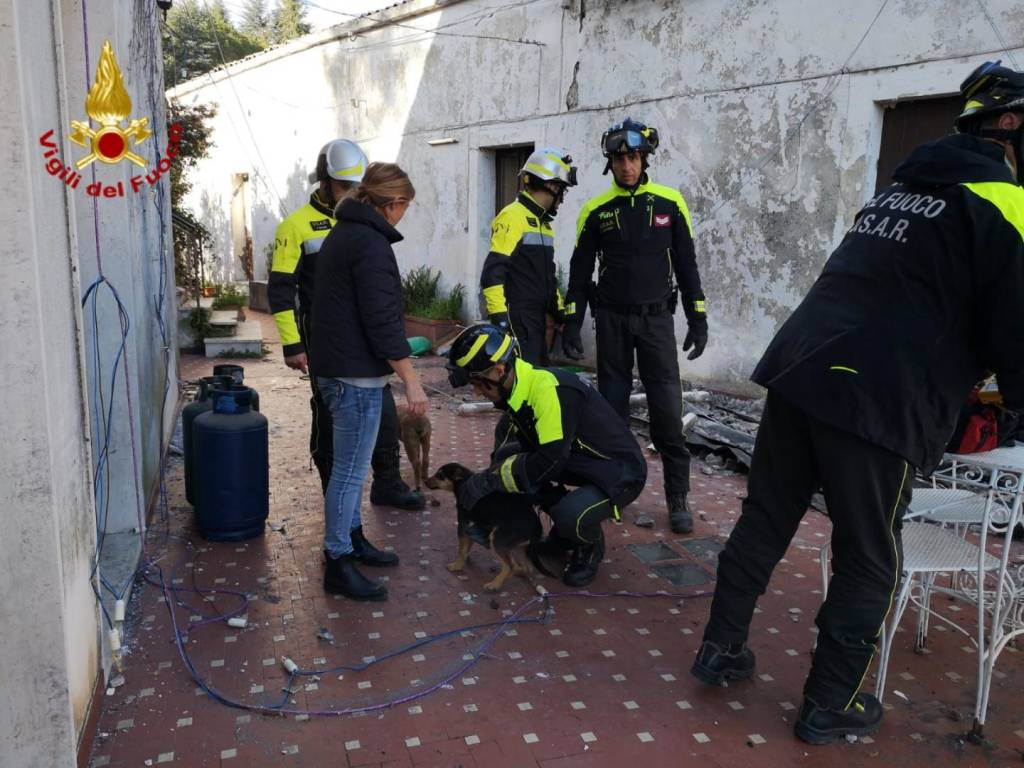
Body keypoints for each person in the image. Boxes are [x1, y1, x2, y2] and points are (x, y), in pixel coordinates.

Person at [690, 61, 1024, 745]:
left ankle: (719, 650)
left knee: (765, 520)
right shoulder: (1005, 202)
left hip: (800, 368)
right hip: (879, 398)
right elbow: (1015, 327)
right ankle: (828, 704)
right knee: (871, 558)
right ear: (1013, 125)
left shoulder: (898, 191)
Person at [565, 118, 708, 535]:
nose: (627, 165)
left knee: (667, 412)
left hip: (656, 322)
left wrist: (697, 318)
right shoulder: (595, 210)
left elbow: (687, 266)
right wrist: (573, 322)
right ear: (610, 163)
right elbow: (578, 273)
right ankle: (616, 487)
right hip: (611, 321)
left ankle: (677, 495)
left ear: (645, 158)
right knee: (611, 411)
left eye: (633, 157)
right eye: (619, 158)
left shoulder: (670, 203)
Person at [268, 139, 425, 511]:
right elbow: (280, 290)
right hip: (325, 344)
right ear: (324, 182)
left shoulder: (358, 219)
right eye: (343, 186)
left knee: (384, 418)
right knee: (329, 424)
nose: (351, 193)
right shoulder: (296, 226)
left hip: (365, 345)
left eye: (356, 186)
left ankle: (387, 482)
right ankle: (336, 498)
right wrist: (293, 345)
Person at [445, 323, 647, 586]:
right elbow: (530, 456)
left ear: (499, 369)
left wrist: (491, 480)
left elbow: (549, 460)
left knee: (569, 514)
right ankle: (560, 531)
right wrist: (496, 479)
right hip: (578, 461)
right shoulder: (517, 390)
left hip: (619, 474)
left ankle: (588, 544)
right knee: (505, 458)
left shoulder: (547, 390)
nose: (477, 392)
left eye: (478, 383)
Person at [310, 162, 429, 600]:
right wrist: (412, 382)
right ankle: (338, 561)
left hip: (340, 369)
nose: (403, 216)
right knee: (348, 474)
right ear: (393, 204)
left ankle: (352, 540)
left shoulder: (344, 233)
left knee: (349, 471)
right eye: (404, 208)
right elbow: (382, 322)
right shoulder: (371, 244)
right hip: (354, 377)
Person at [480, 147, 577, 366]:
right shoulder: (512, 216)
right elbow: (492, 275)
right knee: (522, 386)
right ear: (551, 186)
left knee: (537, 381)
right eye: (562, 190)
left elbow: (547, 277)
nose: (562, 200)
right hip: (518, 319)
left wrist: (560, 313)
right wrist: (501, 320)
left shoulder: (543, 224)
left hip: (538, 320)